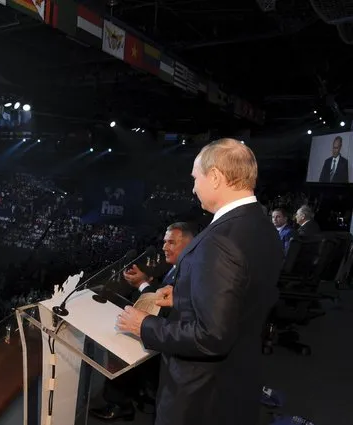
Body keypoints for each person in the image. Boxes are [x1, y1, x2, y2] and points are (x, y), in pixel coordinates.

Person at [117, 138, 284, 425]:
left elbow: (211, 336)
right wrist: (184, 294)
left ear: (216, 177)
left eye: (196, 178)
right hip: (237, 380)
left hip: (201, 396)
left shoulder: (219, 241)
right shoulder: (264, 227)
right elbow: (242, 297)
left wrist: (144, 325)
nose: (193, 187)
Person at [91, 223, 194, 422]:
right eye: (164, 242)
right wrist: (144, 281)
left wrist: (142, 284)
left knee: (122, 346)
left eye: (171, 242)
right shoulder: (177, 268)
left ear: (189, 246)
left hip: (167, 348)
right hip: (161, 339)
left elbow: (163, 306)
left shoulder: (187, 274)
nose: (164, 247)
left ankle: (120, 404)